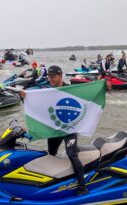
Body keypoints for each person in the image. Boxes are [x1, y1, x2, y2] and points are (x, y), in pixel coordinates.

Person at [19, 65, 88, 196]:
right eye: (49, 76)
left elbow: (88, 97)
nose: (51, 79)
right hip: (54, 129)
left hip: (69, 129)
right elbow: (36, 106)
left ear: (60, 75)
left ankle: (82, 186)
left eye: (53, 76)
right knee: (51, 154)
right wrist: (23, 97)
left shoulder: (71, 89)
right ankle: (55, 183)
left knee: (71, 154)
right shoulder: (47, 91)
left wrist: (104, 87)